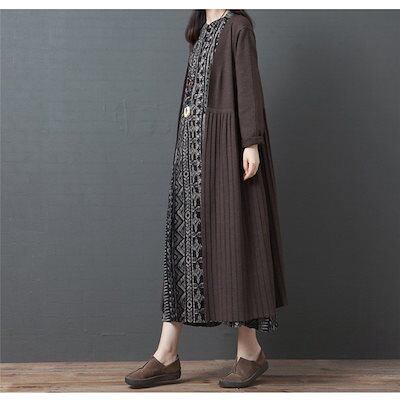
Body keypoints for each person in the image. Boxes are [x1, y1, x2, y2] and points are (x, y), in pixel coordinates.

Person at [125, 9, 288, 389]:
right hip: (192, 154)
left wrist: (251, 142)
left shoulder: (238, 28)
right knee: (183, 246)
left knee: (237, 241)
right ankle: (167, 353)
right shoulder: (200, 33)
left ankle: (250, 351)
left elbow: (248, 86)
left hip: (226, 150)